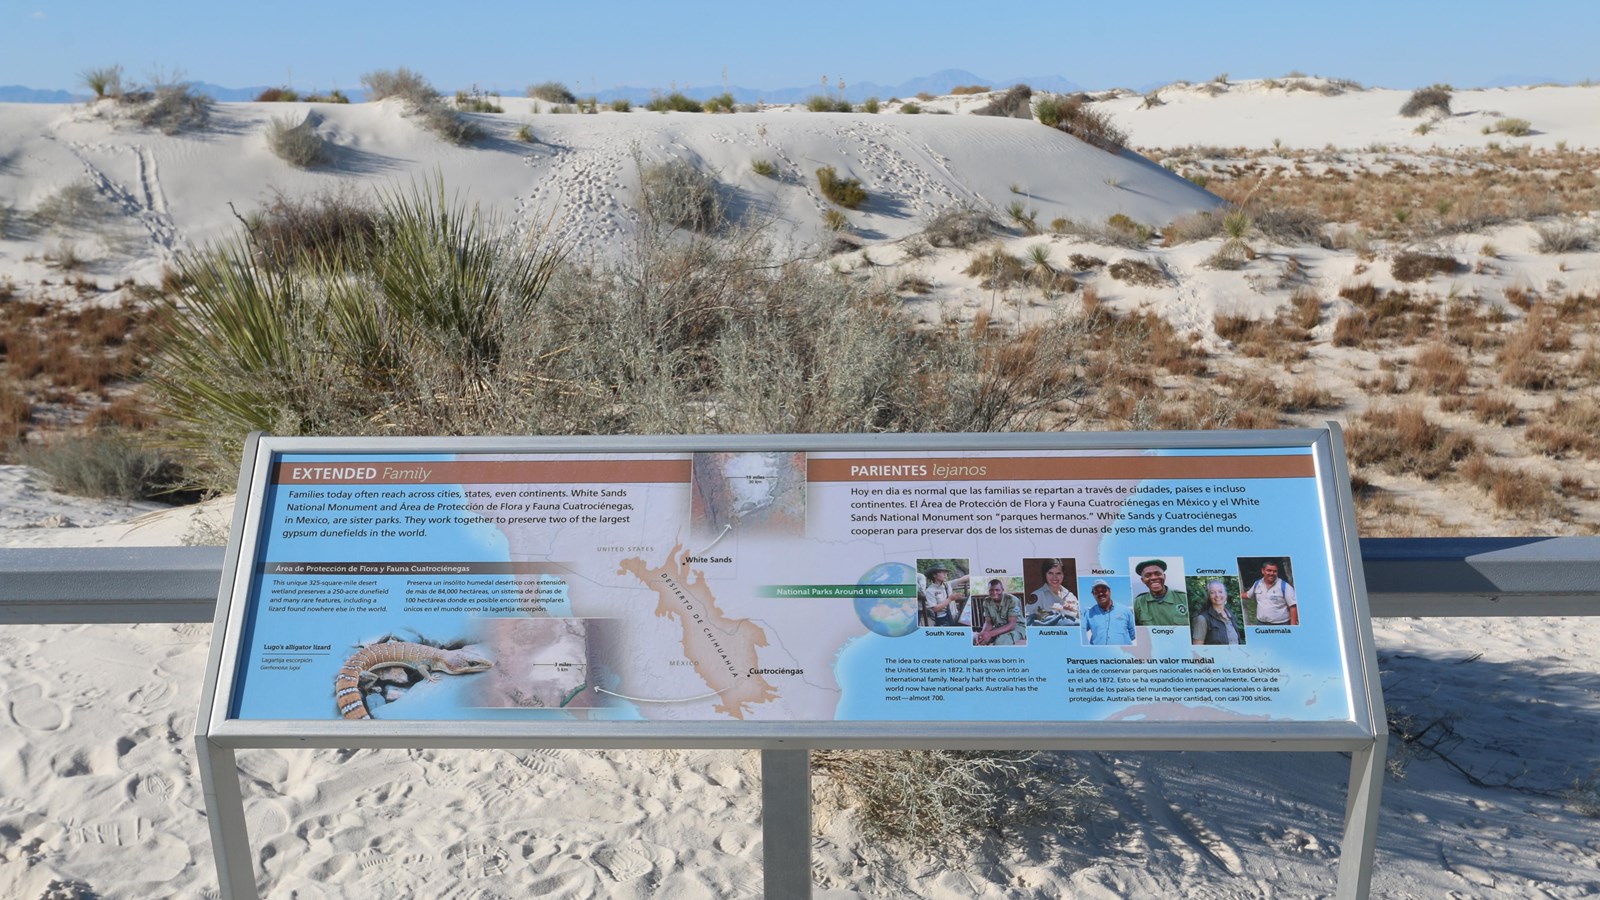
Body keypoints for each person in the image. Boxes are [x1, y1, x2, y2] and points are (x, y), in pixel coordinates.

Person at [1132, 559, 1189, 627]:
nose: (1153, 578)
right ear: (1143, 580)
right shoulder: (1138, 603)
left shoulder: (1184, 598)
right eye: (1147, 575)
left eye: (1158, 574)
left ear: (1164, 576)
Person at [1082, 579, 1135, 645]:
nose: (1100, 593)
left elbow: (1133, 634)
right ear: (1093, 594)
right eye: (1096, 591)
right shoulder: (1089, 613)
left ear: (1110, 591)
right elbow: (1081, 633)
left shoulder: (1126, 610)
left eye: (1103, 590)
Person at [1243, 561, 1298, 625]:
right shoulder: (1257, 584)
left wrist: (1293, 628)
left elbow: (1293, 606)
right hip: (1261, 624)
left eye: (1275, 571)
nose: (1272, 573)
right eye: (1269, 570)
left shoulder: (1285, 586)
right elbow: (1247, 595)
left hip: (1281, 625)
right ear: (1263, 571)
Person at [1028, 559, 1080, 626]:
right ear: (1045, 574)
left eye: (1058, 573)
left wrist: (1072, 611)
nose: (1054, 577)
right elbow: (1027, 621)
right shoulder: (1037, 595)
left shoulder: (1070, 595)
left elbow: (1081, 620)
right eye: (1050, 573)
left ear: (1063, 574)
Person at [1192, 579, 1242, 646]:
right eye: (1212, 592)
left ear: (1226, 595)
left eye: (1220, 592)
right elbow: (1197, 650)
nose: (1217, 595)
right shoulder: (1202, 619)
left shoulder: (1230, 615)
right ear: (1209, 596)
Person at [974, 579, 1022, 646]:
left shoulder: (1012, 600)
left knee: (1000, 642)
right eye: (991, 590)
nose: (994, 593)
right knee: (975, 639)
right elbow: (988, 622)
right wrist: (983, 633)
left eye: (997, 590)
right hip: (998, 627)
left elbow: (1012, 625)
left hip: (1016, 627)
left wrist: (990, 634)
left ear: (1002, 589)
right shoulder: (986, 602)